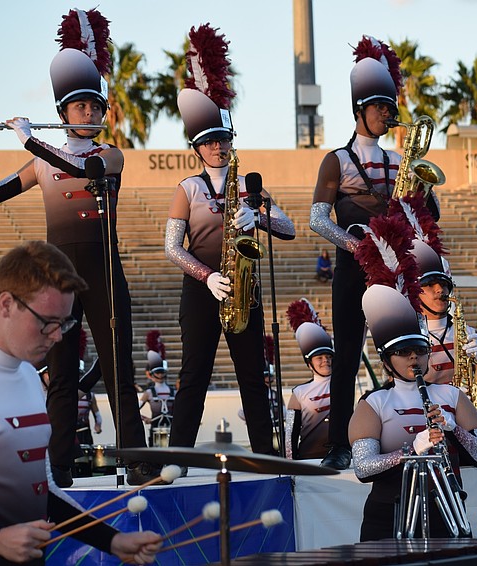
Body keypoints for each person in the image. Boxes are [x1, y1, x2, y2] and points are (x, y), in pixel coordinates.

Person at [0, 9, 154, 487]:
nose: (88, 114)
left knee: (118, 372)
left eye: (94, 106)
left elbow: (80, 170)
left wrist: (30, 141)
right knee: (62, 374)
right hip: (58, 282)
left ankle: (137, 459)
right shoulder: (44, 163)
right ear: (63, 114)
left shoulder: (108, 156)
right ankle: (62, 467)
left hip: (105, 273)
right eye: (79, 107)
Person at [0, 241, 162, 565]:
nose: (58, 337)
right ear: (6, 305)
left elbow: (46, 493)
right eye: (48, 322)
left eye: (66, 323)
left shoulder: (29, 377)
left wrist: (113, 541)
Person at [310, 36, 441, 470]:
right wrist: (358, 245)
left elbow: (428, 214)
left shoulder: (398, 159)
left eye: (391, 106)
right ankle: (338, 444)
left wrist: (423, 190)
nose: (389, 113)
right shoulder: (337, 160)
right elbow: (317, 219)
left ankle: (415, 432)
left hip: (397, 268)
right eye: (381, 106)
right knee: (346, 354)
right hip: (355, 267)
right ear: (360, 109)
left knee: (405, 350)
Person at [166, 24, 295, 455]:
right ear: (196, 147)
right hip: (203, 290)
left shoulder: (251, 187)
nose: (219, 147)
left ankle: (265, 455)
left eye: (223, 139)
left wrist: (256, 214)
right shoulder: (187, 188)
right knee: (193, 376)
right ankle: (179, 458)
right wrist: (205, 277)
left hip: (245, 289)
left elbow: (290, 228)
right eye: (209, 142)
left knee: (253, 379)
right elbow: (172, 246)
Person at [349, 284, 477, 541]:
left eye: (420, 351)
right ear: (386, 361)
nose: (413, 358)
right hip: (388, 515)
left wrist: (454, 430)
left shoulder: (452, 396)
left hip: (447, 510)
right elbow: (362, 468)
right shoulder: (373, 403)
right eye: (403, 352)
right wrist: (410, 452)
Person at [409, 241, 477, 387]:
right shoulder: (411, 337)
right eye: (430, 285)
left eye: (444, 284)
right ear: (415, 293)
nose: (440, 290)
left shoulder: (468, 334)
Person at [285, 299, 334, 460]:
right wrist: (290, 463)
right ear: (309, 364)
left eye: (328, 356)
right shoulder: (299, 392)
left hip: (341, 458)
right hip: (309, 458)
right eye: (319, 358)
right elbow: (291, 433)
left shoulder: (343, 382)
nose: (325, 360)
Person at [139, 347, 175, 446]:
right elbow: (135, 410)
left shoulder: (174, 392)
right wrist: (145, 418)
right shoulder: (149, 393)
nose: (160, 375)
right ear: (152, 375)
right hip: (155, 429)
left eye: (161, 372)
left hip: (172, 430)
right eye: (157, 373)